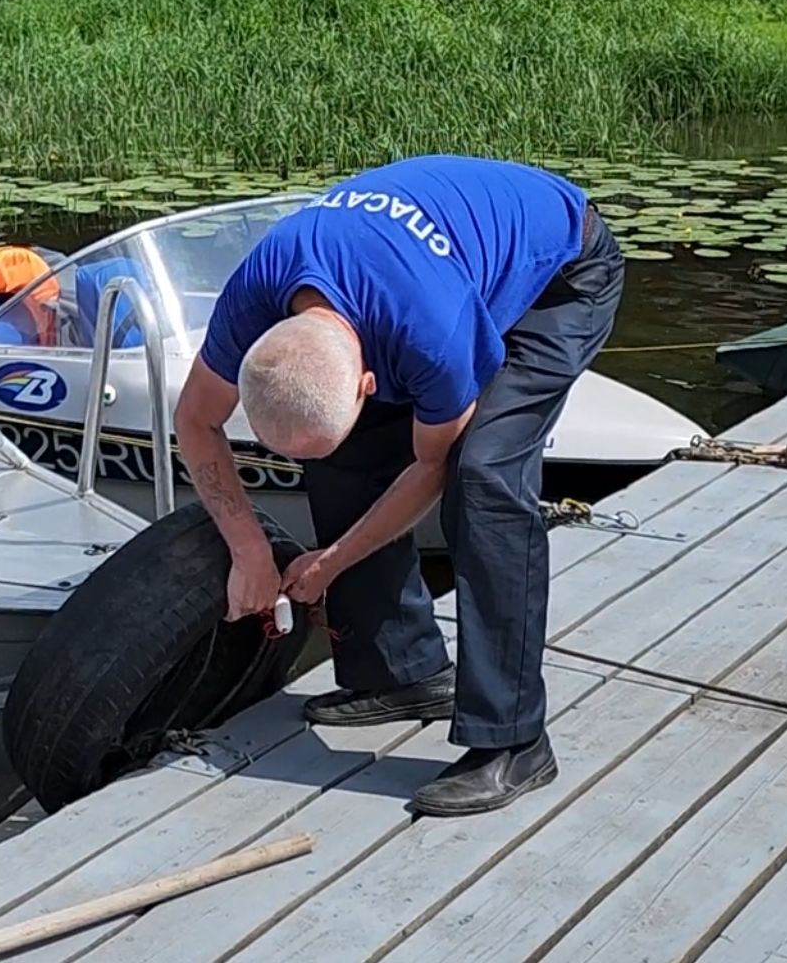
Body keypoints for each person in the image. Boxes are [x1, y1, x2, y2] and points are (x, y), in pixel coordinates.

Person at [170, 152, 622, 817]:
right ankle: (402, 672)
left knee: (484, 476)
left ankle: (517, 742)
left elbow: (429, 469)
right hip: (431, 265)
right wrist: (250, 551)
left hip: (562, 270)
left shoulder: (429, 339)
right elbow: (195, 419)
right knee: (344, 454)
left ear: (368, 383)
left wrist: (327, 564)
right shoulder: (253, 296)